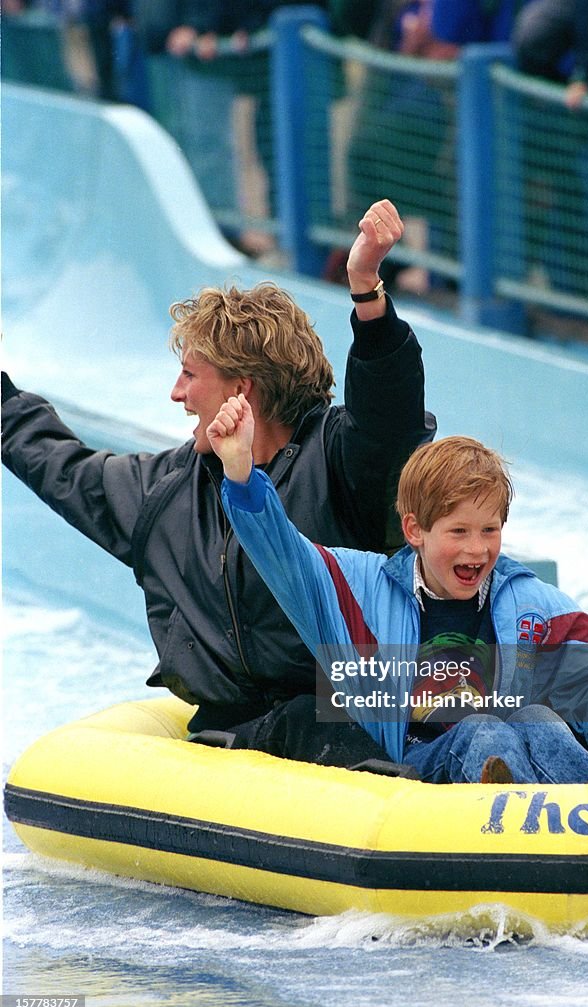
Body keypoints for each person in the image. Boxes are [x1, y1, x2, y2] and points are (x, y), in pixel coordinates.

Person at [2, 200, 436, 770]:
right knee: (278, 726)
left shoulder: (342, 464)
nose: (177, 394)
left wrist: (365, 291)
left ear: (243, 389)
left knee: (319, 719)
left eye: (190, 374)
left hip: (353, 719)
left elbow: (389, 417)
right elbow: (58, 462)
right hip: (232, 733)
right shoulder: (165, 491)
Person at [206, 395, 588, 785]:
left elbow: (585, 661)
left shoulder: (524, 601)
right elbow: (283, 553)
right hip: (428, 768)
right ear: (415, 530)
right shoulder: (360, 590)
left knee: (534, 716)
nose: (478, 550)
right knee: (481, 729)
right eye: (459, 532)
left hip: (517, 762)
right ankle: (527, 814)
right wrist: (240, 471)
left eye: (490, 531)